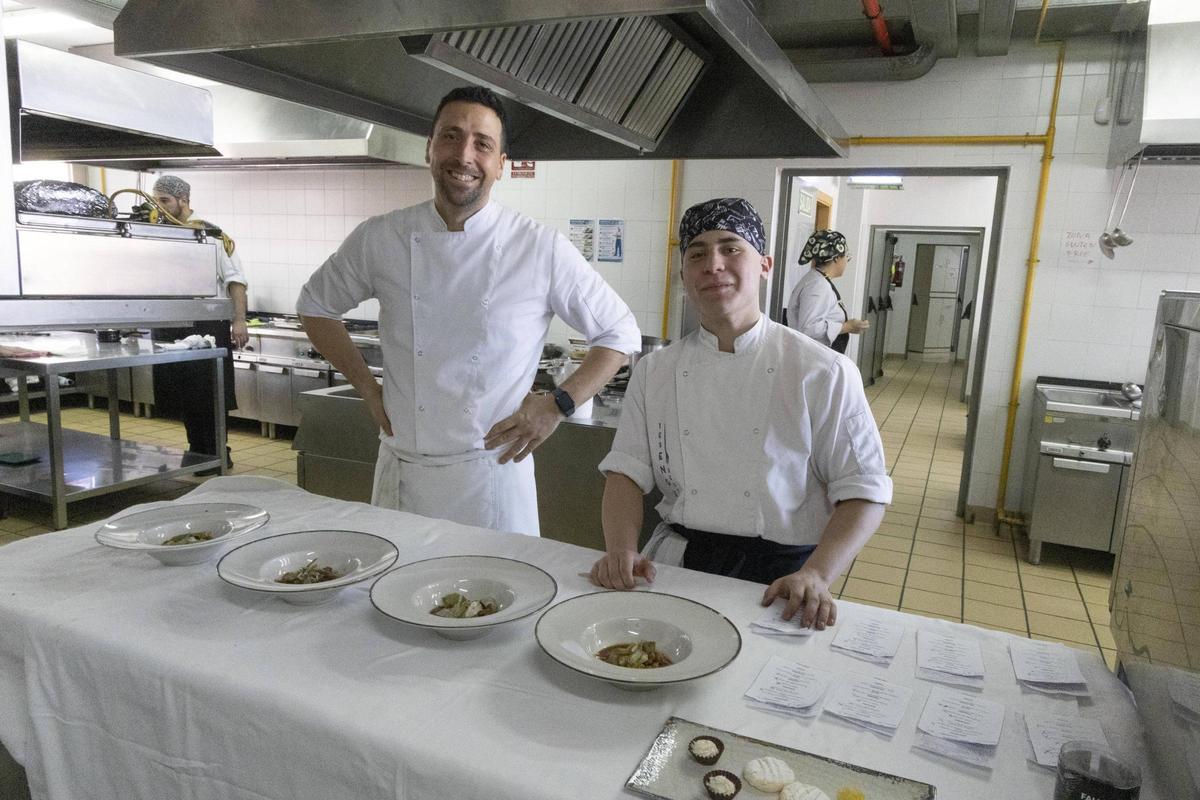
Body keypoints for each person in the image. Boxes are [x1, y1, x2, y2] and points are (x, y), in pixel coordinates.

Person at [297, 86, 639, 537]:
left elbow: (619, 333)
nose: (464, 155)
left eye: (483, 143)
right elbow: (314, 305)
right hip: (402, 471)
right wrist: (367, 387)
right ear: (429, 149)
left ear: (501, 164)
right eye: (451, 137)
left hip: (491, 479)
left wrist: (557, 404)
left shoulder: (537, 247)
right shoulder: (381, 237)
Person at [589, 199, 891, 629]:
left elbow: (863, 490)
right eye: (697, 253)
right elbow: (625, 473)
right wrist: (620, 548)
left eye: (731, 248)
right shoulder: (655, 371)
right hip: (675, 568)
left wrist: (817, 574)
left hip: (783, 582)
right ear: (683, 275)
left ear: (764, 265)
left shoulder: (822, 371)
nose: (713, 264)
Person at [149, 175, 249, 469]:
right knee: (183, 392)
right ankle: (197, 449)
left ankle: (219, 451)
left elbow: (236, 281)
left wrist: (239, 320)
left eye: (165, 201)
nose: (160, 208)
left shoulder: (210, 235)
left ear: (183, 201)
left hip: (208, 325)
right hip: (172, 324)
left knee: (210, 391)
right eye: (156, 201)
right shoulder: (159, 234)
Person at [786, 229, 869, 354]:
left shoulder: (818, 280)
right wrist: (847, 326)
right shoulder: (817, 285)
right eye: (846, 257)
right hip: (812, 357)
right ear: (836, 258)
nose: (847, 262)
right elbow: (809, 328)